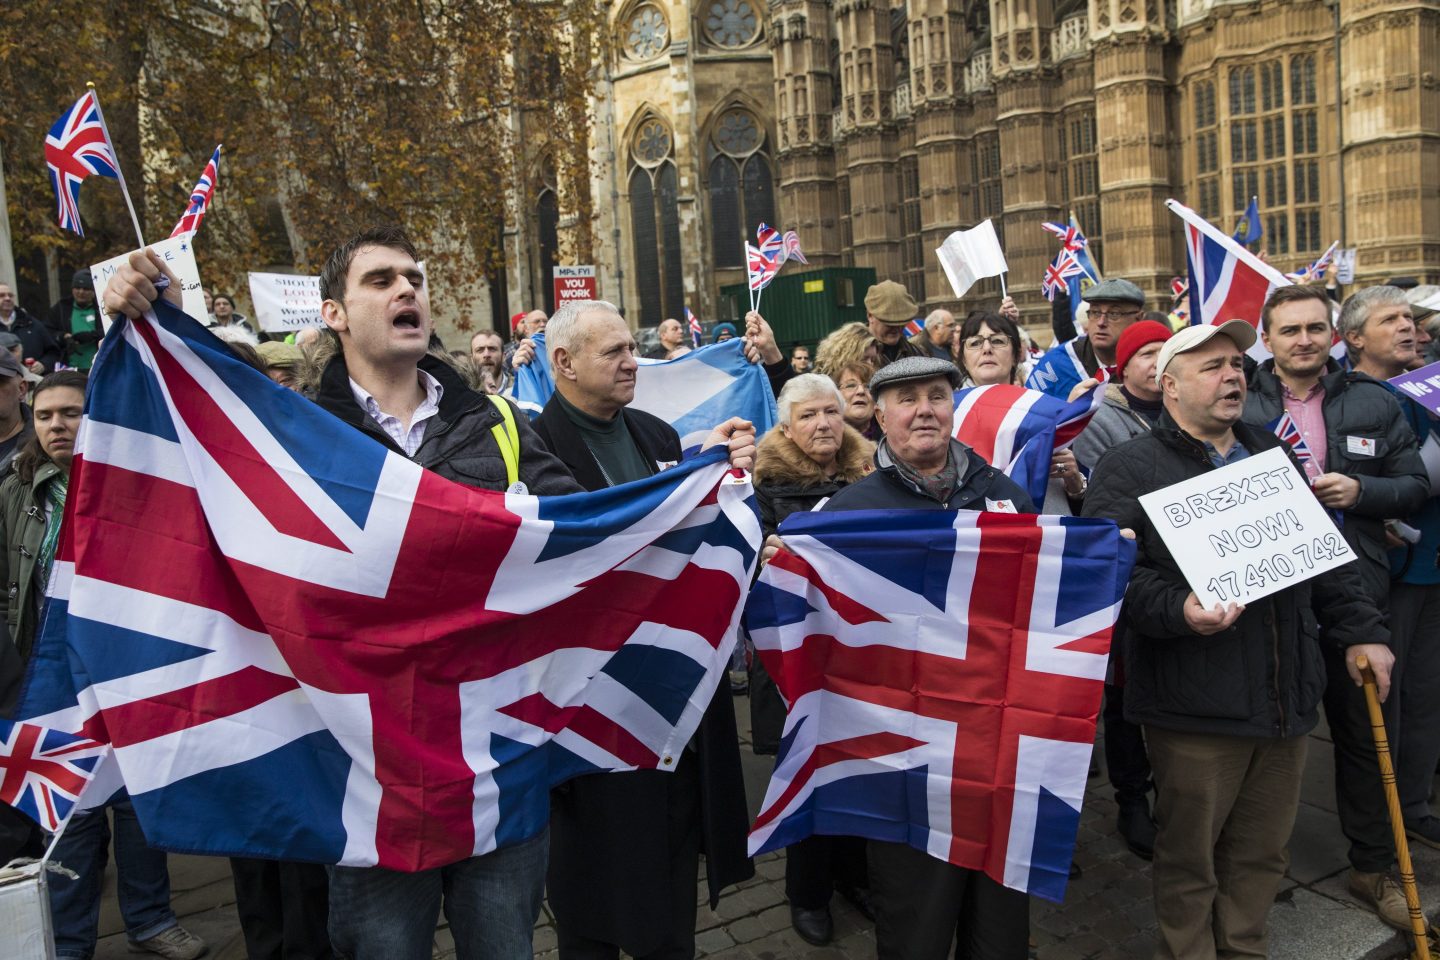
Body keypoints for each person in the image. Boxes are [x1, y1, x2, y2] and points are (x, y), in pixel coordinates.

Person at [102, 226, 580, 960]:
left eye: (414, 278)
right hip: (368, 774)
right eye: (381, 280)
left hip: (496, 759)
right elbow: (193, 460)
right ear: (333, 313)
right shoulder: (297, 436)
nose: (407, 291)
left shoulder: (505, 424)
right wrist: (147, 316)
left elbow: (587, 540)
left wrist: (707, 489)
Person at [1083, 319, 1393, 959]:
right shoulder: (1128, 467)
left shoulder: (1268, 451)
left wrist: (1362, 632)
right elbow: (1107, 579)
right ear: (1169, 387)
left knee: (1261, 852)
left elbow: (1323, 558)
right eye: (1212, 366)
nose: (1231, 376)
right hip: (1194, 704)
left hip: (1286, 694)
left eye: (1235, 364)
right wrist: (1178, 609)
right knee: (1190, 857)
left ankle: (1244, 949)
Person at [759, 356, 1034, 959]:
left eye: (937, 395)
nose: (924, 410)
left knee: (1000, 918)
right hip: (902, 751)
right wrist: (784, 569)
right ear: (880, 417)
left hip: (994, 743)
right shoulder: (849, 513)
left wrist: (1101, 557)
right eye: (906, 399)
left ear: (953, 407)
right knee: (917, 917)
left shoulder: (1004, 495)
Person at [529, 298, 756, 960]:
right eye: (616, 352)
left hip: (670, 695)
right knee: (593, 876)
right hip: (586, 702)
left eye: (633, 348)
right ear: (564, 362)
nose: (634, 362)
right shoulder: (535, 448)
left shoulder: (658, 437)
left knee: (668, 861)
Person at [0, 372, 209, 960]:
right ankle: (69, 942)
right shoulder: (15, 490)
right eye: (45, 416)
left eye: (70, 413)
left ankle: (149, 919)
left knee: (139, 802)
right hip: (50, 678)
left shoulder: (134, 481)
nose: (57, 426)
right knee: (66, 812)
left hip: (128, 666)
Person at [1240, 284, 1428, 931]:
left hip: (1358, 594)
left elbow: (1414, 485)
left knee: (1363, 736)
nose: (1304, 340)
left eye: (1315, 328)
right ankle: (1250, 879)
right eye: (1289, 330)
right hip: (1275, 600)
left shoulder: (1374, 400)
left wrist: (1362, 489)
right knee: (1265, 743)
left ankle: (1375, 866)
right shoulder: (1242, 401)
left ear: (1333, 335)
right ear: (1267, 338)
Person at [748, 373, 874, 946]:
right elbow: (740, 568)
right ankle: (808, 891)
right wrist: (764, 556)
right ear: (785, 425)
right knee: (806, 770)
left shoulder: (873, 472)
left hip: (858, 652)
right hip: (795, 655)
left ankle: (854, 876)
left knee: (858, 765)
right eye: (808, 416)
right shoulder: (759, 486)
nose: (823, 424)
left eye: (831, 412)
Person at [956, 311, 1089, 514]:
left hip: (1045, 531)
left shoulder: (1047, 412)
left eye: (998, 341)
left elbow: (1085, 500)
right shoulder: (946, 415)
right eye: (975, 343)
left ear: (1017, 354)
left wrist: (1074, 480)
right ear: (963, 359)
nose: (986, 349)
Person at [1029, 278, 1145, 399]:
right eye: (1095, 312)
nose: (1101, 322)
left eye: (1114, 314)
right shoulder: (1056, 363)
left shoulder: (1152, 363)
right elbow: (1027, 412)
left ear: (1139, 317)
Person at [45, 270, 103, 371]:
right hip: (69, 368)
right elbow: (47, 331)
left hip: (98, 367)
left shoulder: (101, 308)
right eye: (77, 288)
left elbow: (111, 329)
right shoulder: (61, 308)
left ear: (93, 291)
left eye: (86, 289)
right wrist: (63, 336)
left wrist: (92, 336)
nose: (81, 292)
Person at [0, 282, 61, 372]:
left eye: (10, 295)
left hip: (33, 381)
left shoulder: (33, 324)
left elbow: (53, 352)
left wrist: (43, 364)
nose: (7, 298)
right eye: (2, 295)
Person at [862, 280, 925, 367]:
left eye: (901, 322)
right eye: (889, 323)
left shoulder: (915, 353)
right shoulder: (855, 356)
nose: (896, 328)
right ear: (870, 316)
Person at [814, 322, 881, 380]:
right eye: (863, 359)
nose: (870, 364)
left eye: (873, 360)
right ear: (845, 357)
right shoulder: (822, 387)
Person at [832, 361, 879, 442]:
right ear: (836, 394)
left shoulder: (892, 437)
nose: (861, 391)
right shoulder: (827, 439)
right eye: (851, 385)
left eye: (868, 386)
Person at [470, 328, 511, 394]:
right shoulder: (465, 392)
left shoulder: (519, 388)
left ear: (503, 356)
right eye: (480, 350)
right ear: (472, 359)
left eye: (492, 349)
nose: (486, 355)